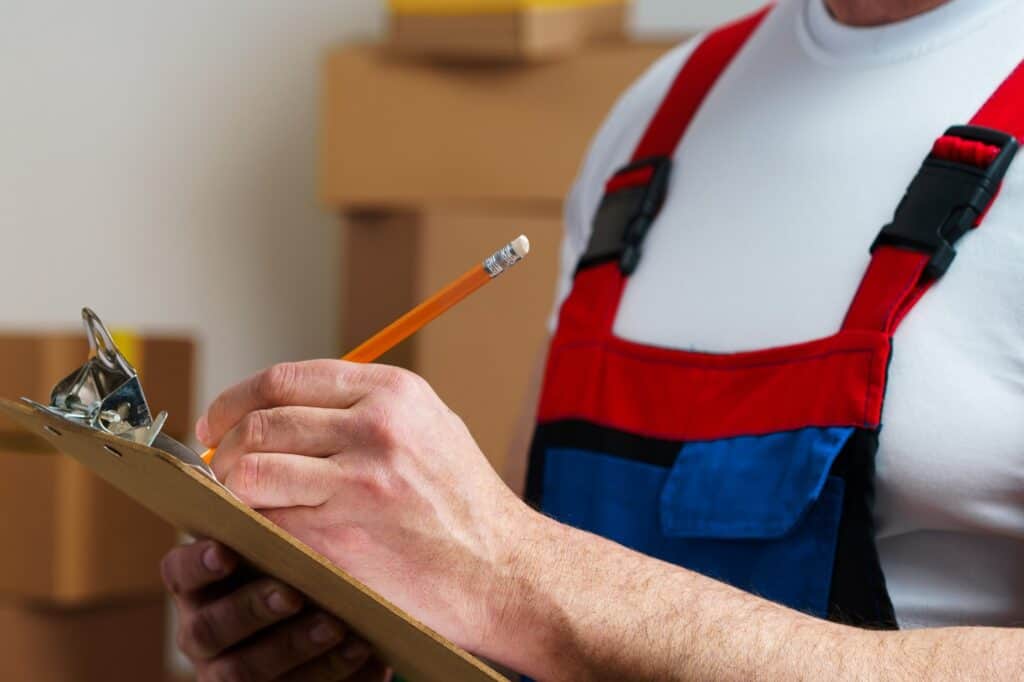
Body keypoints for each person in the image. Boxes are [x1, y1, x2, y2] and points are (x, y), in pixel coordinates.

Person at [162, 0, 1024, 679]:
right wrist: (356, 631)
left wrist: (509, 568)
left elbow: (524, 564)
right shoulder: (655, 116)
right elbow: (524, 579)